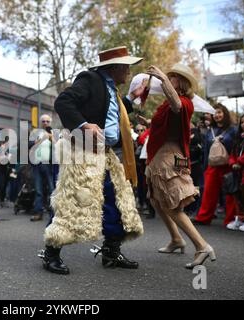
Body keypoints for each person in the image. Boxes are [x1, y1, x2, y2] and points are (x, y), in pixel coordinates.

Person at [38, 46, 145, 275]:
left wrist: (132, 98)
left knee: (116, 200)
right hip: (82, 152)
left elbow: (110, 112)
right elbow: (63, 102)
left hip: (104, 154)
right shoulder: (91, 79)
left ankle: (111, 251)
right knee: (71, 201)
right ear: (115, 67)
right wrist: (83, 124)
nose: (128, 72)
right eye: (126, 67)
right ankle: (51, 253)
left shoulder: (111, 89)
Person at [144, 64, 215, 269]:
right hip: (159, 156)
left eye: (172, 77)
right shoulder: (168, 104)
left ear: (180, 83)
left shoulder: (184, 102)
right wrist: (149, 122)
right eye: (169, 77)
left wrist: (162, 77)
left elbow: (177, 105)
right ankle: (176, 239)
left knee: (172, 205)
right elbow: (167, 121)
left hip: (168, 157)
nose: (168, 79)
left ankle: (202, 246)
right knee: (156, 200)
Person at [193, 104, 237, 226]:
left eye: (219, 112)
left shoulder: (233, 129)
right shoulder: (209, 131)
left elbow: (236, 147)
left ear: (225, 113)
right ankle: (203, 218)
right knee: (208, 192)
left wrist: (235, 162)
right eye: (214, 113)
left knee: (229, 192)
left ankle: (231, 219)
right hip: (212, 166)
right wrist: (206, 166)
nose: (217, 115)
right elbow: (206, 150)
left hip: (228, 165)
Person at [30, 114, 55, 222]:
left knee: (52, 189)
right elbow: (29, 144)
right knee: (38, 190)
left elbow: (58, 146)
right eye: (43, 121)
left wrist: (50, 137)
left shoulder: (54, 132)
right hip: (37, 163)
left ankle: (54, 213)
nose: (45, 123)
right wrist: (40, 139)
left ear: (50, 123)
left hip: (49, 164)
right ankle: (38, 212)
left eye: (47, 121)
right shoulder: (35, 132)